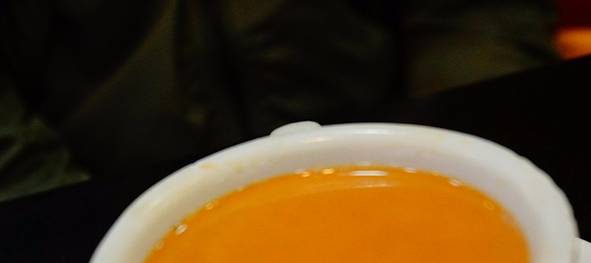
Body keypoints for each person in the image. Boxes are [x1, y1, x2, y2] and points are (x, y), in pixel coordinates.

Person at [0, 0, 557, 202]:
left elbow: (475, 17)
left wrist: (460, 151)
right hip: (103, 206)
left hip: (396, 162)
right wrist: (76, 228)